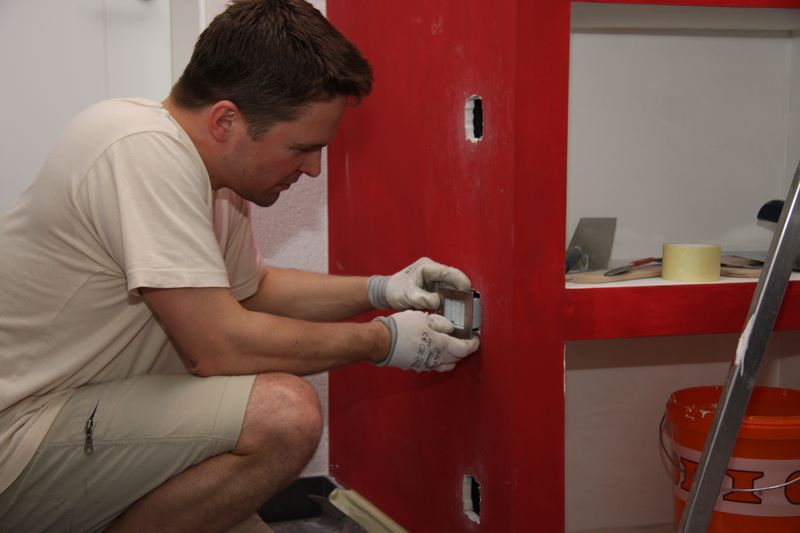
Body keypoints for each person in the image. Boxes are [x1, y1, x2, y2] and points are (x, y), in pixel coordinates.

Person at [0, 1, 480, 531]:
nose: (313, 169)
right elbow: (219, 346)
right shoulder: (138, 149)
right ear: (226, 121)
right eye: (302, 148)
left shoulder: (216, 181)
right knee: (285, 416)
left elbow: (255, 291)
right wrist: (382, 341)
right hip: (22, 440)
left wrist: (381, 290)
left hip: (94, 426)